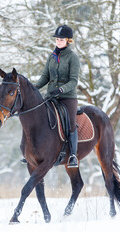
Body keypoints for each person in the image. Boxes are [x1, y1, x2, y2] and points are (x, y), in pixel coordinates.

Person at [35, 24, 80, 168]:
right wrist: (33, 88)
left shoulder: (73, 57)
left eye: (62, 39)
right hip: (51, 96)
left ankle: (73, 155)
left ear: (68, 41)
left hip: (67, 97)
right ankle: (32, 151)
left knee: (71, 122)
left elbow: (74, 81)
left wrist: (61, 90)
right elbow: (45, 76)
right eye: (57, 39)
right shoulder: (52, 56)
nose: (59, 41)